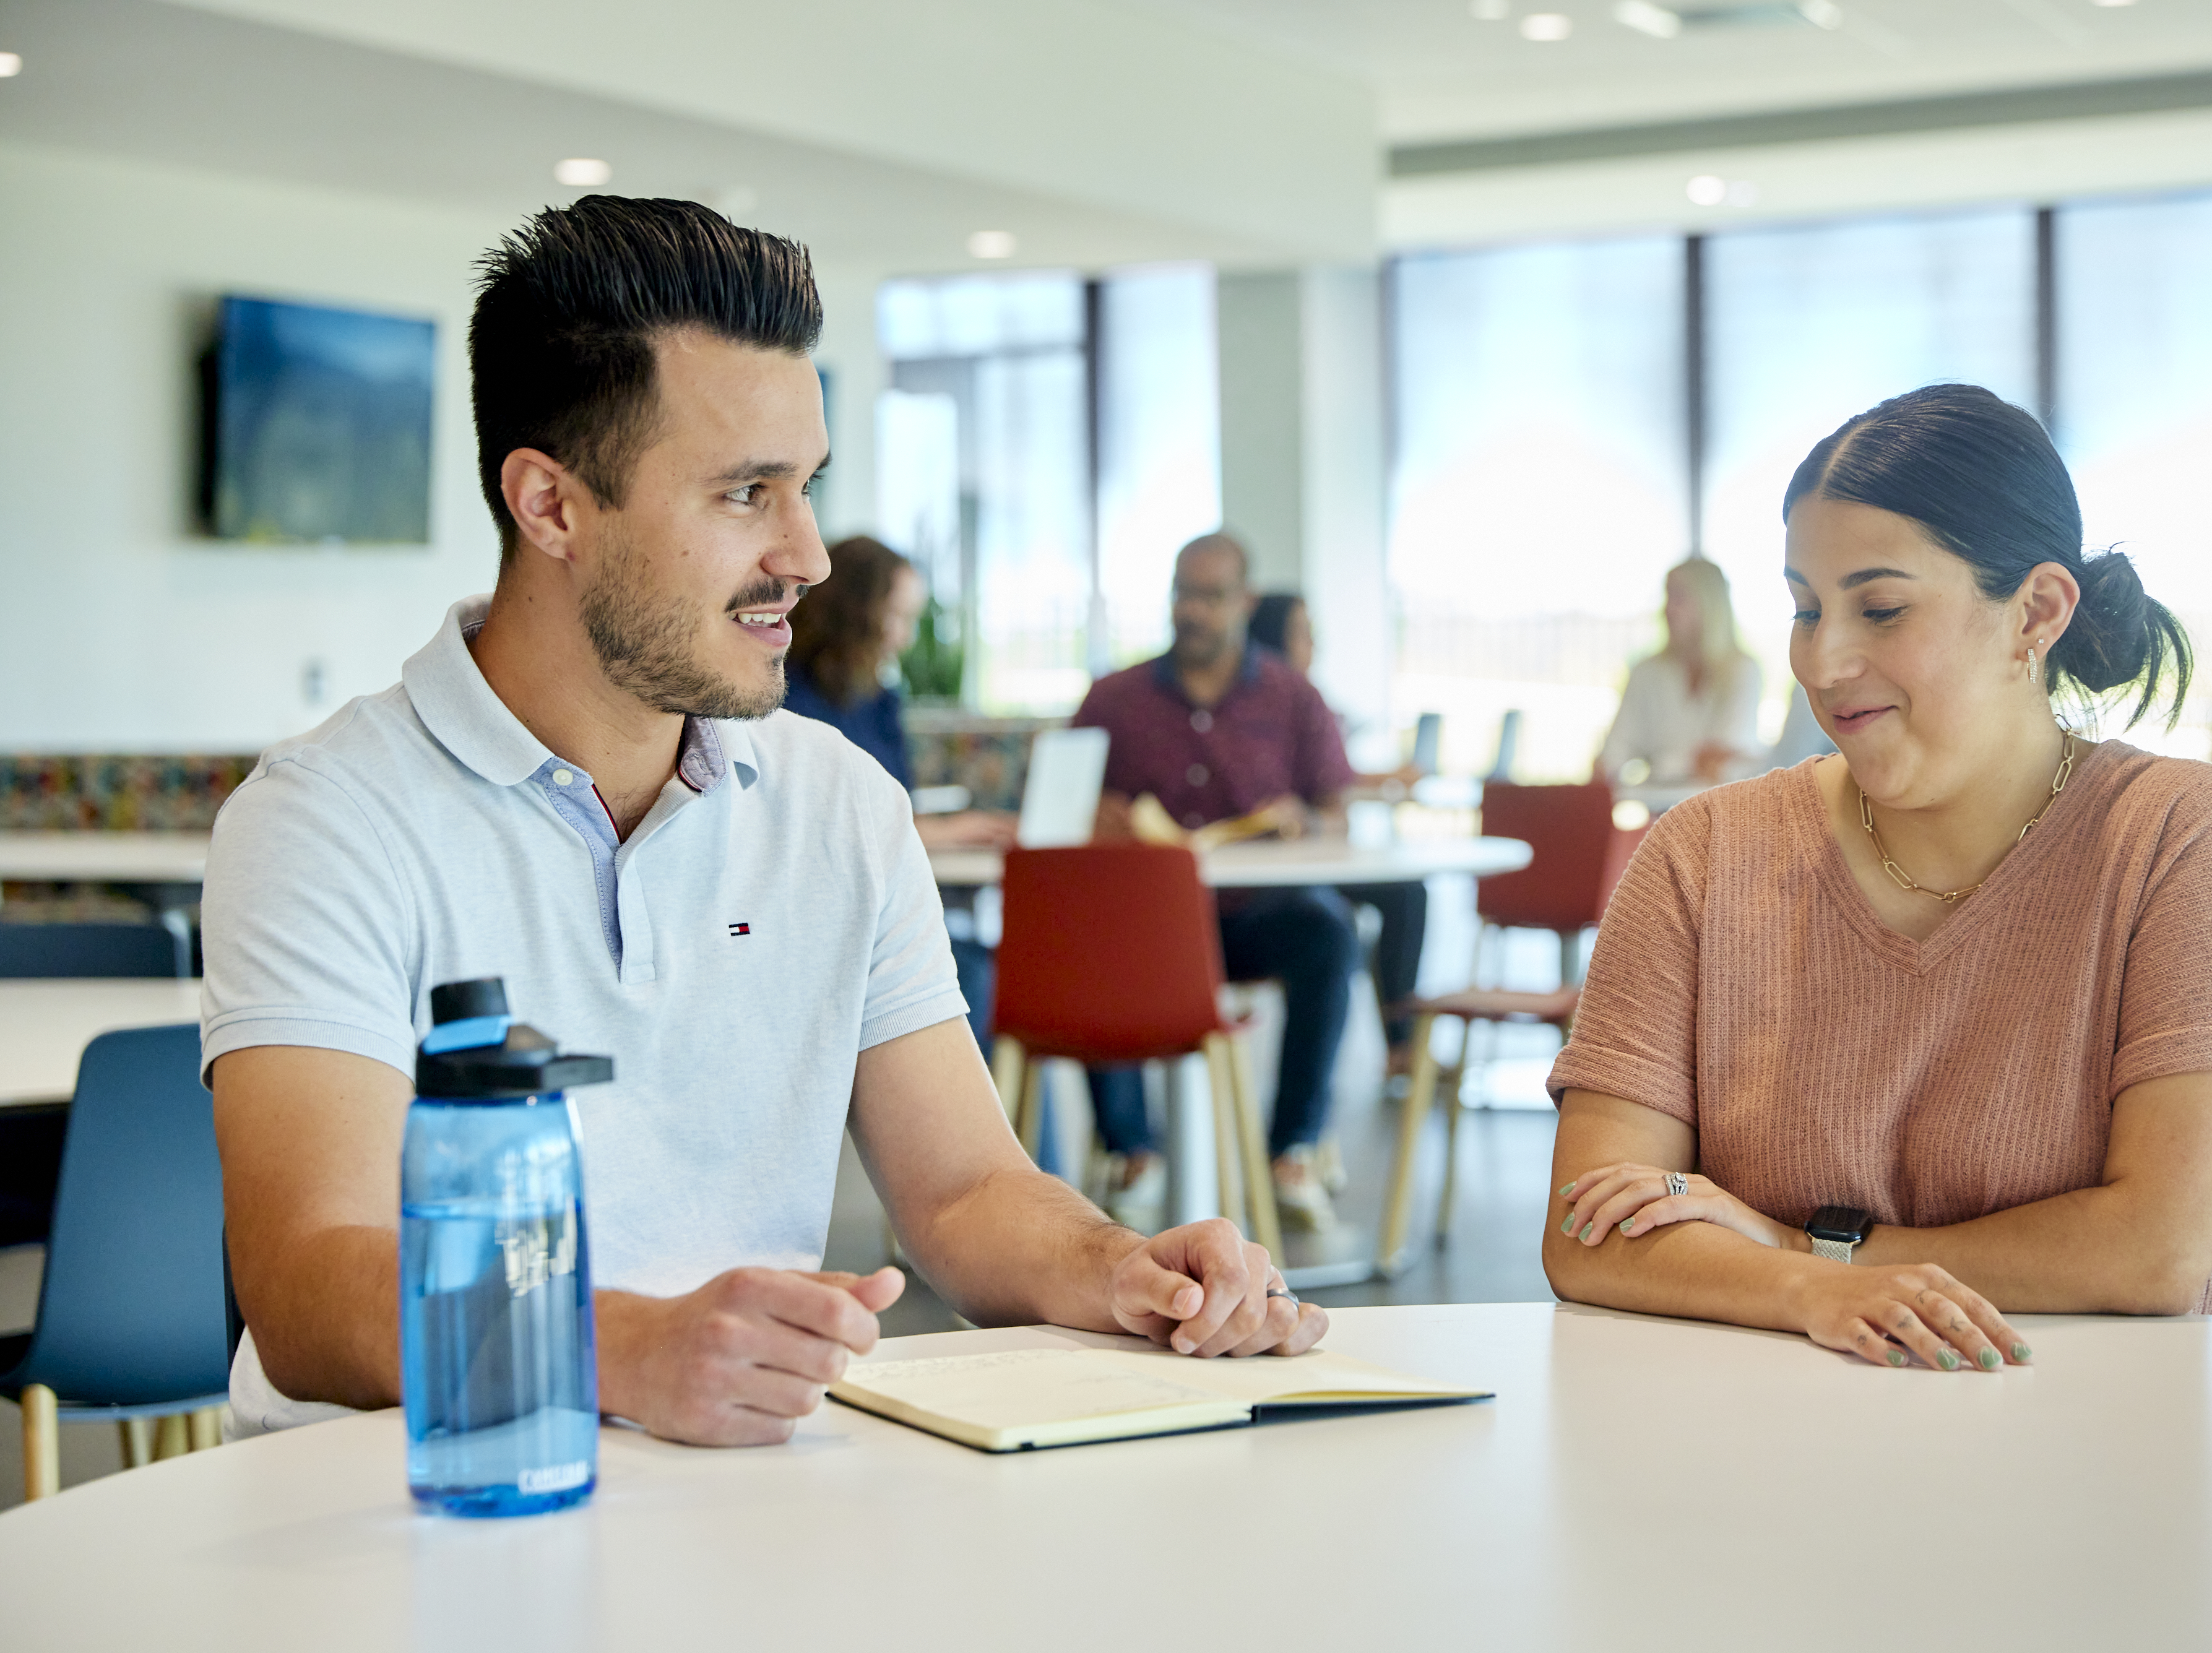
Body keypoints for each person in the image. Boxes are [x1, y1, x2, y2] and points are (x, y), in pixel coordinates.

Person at [205, 196, 1324, 1448]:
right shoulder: (325, 819)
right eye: (747, 493)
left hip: (739, 1506)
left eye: (807, 488)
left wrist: (1118, 1265)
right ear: (551, 506)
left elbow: (962, 1193)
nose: (808, 555)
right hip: (405, 1524)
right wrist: (628, 1347)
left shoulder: (840, 805)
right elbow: (307, 1280)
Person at [1544, 383, 2212, 1373]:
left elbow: (2155, 1250)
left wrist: (1795, 1247)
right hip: (1747, 1451)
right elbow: (1587, 1228)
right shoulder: (1700, 853)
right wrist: (1812, 1292)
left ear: (2035, 611)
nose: (1824, 661)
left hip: (2089, 1444)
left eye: (1880, 607)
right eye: (1804, 609)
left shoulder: (2186, 836)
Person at [1073, 537, 1359, 1234]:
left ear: (1245, 602)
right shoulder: (1115, 698)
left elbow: (1336, 811)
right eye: (1182, 594)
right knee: (1082, 937)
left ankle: (1292, 1148)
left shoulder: (1294, 696)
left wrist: (1306, 823)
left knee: (1328, 932)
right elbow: (1057, 804)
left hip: (1252, 920)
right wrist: (1094, 811)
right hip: (1145, 926)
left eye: (1209, 596)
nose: (1191, 611)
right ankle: (1133, 1151)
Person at [782, 533, 1012, 1048]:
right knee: (971, 971)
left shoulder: (880, 700)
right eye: (897, 617)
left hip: (877, 906)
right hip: (819, 916)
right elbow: (818, 819)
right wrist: (942, 831)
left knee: (993, 964)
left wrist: (935, 829)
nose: (905, 639)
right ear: (854, 613)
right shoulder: (784, 698)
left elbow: (893, 803)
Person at [1248, 592, 1428, 1077]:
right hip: (1261, 879)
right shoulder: (1261, 702)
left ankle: (1399, 1043)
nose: (1315, 644)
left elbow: (1334, 784)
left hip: (1309, 855)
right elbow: (1340, 786)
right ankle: (1397, 1045)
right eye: (1304, 632)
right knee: (1336, 924)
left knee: (1403, 893)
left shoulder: (1305, 699)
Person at [1599, 556, 1762, 788]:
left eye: (1679, 598)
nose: (1667, 609)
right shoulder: (1646, 672)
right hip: (1659, 809)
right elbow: (1613, 755)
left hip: (1723, 807)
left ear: (1709, 604)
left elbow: (1722, 756)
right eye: (1667, 597)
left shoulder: (1743, 670)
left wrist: (1661, 766)